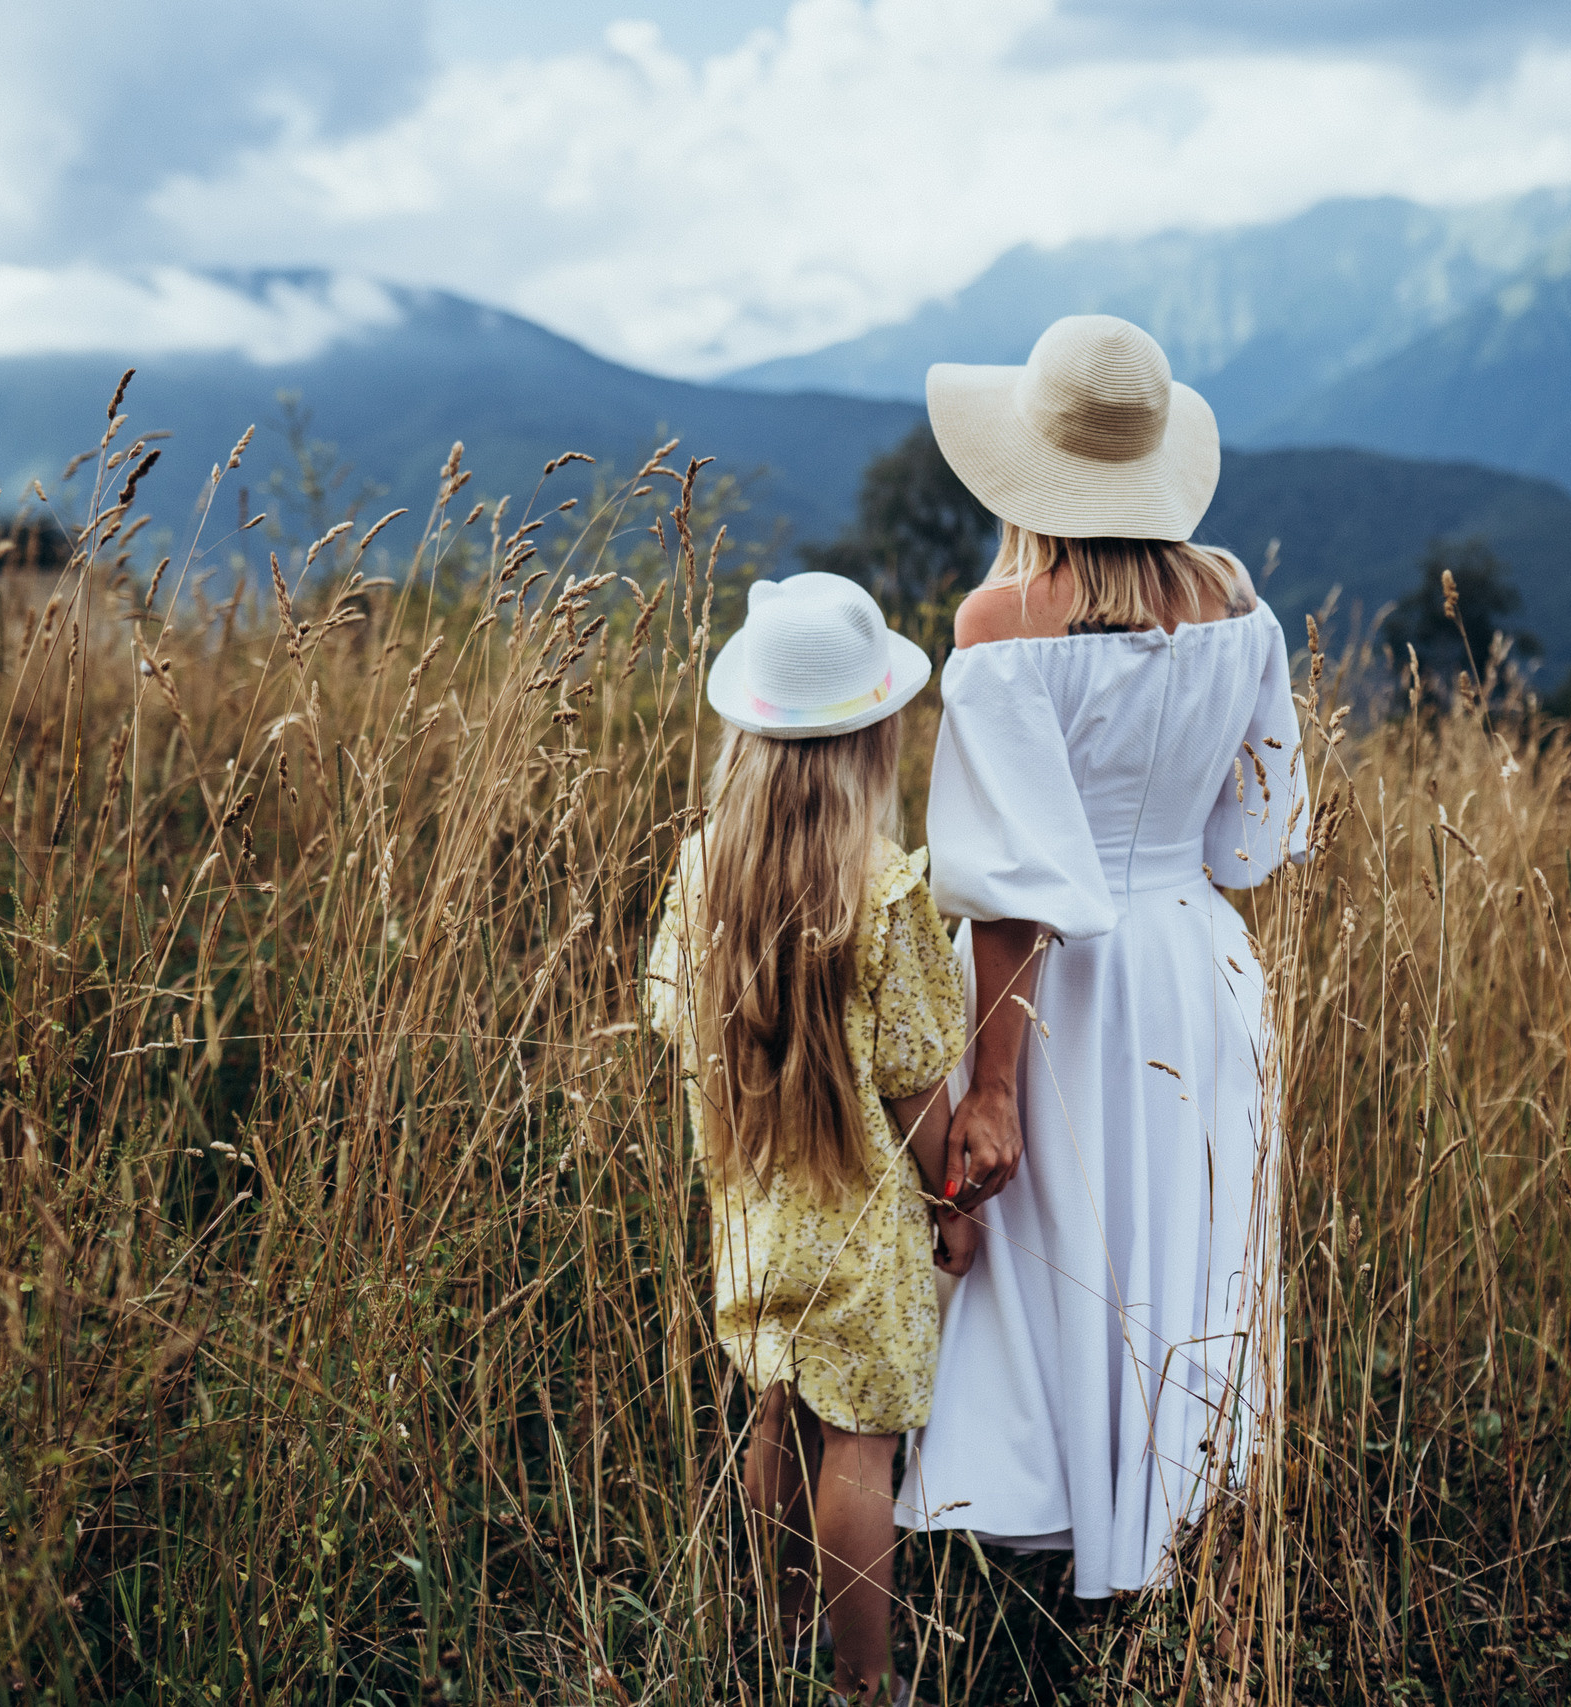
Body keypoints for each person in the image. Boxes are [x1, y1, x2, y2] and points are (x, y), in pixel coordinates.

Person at [896, 315, 1306, 1599]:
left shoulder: (1001, 623)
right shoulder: (1240, 604)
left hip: (1057, 991)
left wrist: (992, 1084)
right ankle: (1172, 1539)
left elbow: (1014, 894)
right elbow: (1257, 841)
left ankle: (1050, 1540)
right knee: (1182, 1244)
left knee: (1057, 1256)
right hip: (1200, 967)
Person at [645, 572, 974, 1705]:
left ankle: (779, 1615)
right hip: (858, 1226)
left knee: (774, 1410)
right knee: (860, 1447)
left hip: (749, 1200)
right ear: (871, 740)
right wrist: (951, 1199)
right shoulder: (882, 892)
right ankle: (861, 1680)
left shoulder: (703, 869)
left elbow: (670, 1016)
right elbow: (917, 1078)